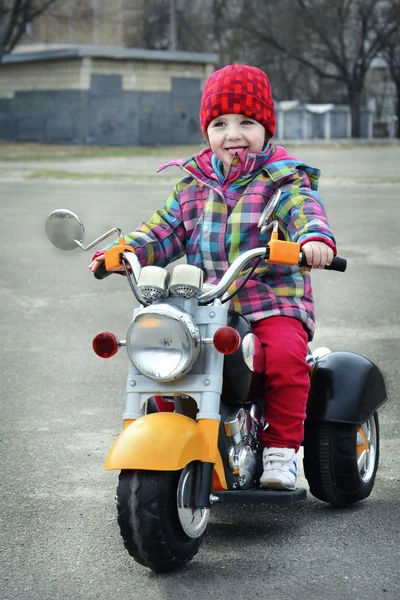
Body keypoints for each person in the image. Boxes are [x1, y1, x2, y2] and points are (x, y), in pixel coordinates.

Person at [89, 64, 336, 491]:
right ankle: (172, 433)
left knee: (283, 358)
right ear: (207, 132)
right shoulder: (193, 186)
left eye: (247, 122)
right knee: (166, 358)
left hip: (269, 300)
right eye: (220, 123)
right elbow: (162, 231)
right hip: (203, 305)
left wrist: (313, 239)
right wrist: (126, 250)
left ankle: (280, 448)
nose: (233, 133)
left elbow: (303, 210)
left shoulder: (282, 180)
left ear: (266, 128)